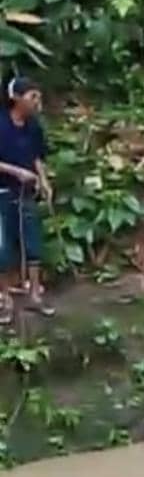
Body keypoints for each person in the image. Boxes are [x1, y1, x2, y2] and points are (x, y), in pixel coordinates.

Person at [0, 77, 54, 324]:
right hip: (3, 192)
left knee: (32, 244)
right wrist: (15, 172)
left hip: (27, 192)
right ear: (16, 98)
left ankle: (35, 295)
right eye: (33, 96)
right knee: (3, 249)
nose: (37, 102)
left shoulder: (33, 126)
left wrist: (44, 181)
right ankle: (6, 301)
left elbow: (36, 157)